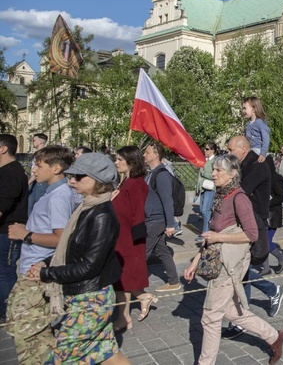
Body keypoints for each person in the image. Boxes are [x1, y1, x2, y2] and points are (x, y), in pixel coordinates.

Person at [26, 152, 128, 364]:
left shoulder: (101, 215)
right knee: (105, 352)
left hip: (91, 297)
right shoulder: (86, 206)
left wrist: (47, 273)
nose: (72, 180)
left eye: (80, 176)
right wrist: (45, 263)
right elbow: (71, 247)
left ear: (98, 182)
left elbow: (89, 266)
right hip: (85, 294)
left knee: (62, 357)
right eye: (72, 175)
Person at [183, 154, 283, 365]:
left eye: (218, 170)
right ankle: (274, 337)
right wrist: (195, 260)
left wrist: (218, 237)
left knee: (210, 317)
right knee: (233, 311)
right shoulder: (221, 195)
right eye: (213, 170)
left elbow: (251, 235)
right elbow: (212, 231)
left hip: (230, 263)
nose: (213, 173)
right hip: (218, 258)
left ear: (232, 174)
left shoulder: (239, 198)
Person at [6, 146, 78, 363]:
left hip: (38, 270)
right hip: (33, 266)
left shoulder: (58, 196)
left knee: (27, 333)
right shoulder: (53, 192)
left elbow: (61, 238)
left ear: (56, 168)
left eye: (39, 165)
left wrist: (26, 234)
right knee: (36, 331)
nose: (34, 170)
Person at [224, 136, 283, 340]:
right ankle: (244, 315)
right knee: (241, 269)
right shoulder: (246, 165)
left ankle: (247, 312)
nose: (228, 152)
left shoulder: (257, 167)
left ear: (243, 150)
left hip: (254, 223)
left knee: (240, 269)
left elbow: (240, 191)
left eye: (231, 149)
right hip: (244, 221)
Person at [112, 146, 154, 332]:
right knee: (121, 280)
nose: (116, 162)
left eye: (120, 159)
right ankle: (140, 300)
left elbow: (137, 215)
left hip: (128, 239)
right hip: (120, 237)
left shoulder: (135, 184)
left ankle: (124, 317)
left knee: (124, 280)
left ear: (131, 162)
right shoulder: (125, 182)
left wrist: (135, 243)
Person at [143, 142, 181, 293]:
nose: (144, 155)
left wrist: (170, 224)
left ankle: (133, 286)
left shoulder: (162, 174)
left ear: (156, 155)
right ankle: (174, 281)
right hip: (152, 218)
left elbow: (167, 200)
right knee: (162, 250)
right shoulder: (150, 173)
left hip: (156, 220)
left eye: (147, 152)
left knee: (141, 253)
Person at [0, 133, 29, 323]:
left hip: (8, 232)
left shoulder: (13, 172)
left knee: (5, 271)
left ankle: (7, 312)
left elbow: (3, 205)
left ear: (3, 149)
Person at [262, 158, 283, 275]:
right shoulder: (262, 178)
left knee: (266, 241)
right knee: (262, 241)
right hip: (263, 213)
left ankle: (281, 258)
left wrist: (268, 202)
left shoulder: (276, 178)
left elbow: (282, 196)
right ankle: (266, 268)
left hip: (273, 214)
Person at [197, 143, 218, 244]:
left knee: (206, 211)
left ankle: (205, 233)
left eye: (207, 149)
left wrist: (203, 173)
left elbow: (215, 174)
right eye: (204, 149)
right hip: (204, 188)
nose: (205, 151)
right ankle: (207, 230)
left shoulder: (215, 160)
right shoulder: (205, 160)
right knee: (202, 210)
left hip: (210, 188)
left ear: (213, 150)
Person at [243, 96, 270, 163]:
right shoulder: (248, 124)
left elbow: (266, 138)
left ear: (254, 109)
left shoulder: (259, 122)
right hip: (250, 149)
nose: (243, 111)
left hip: (258, 150)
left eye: (245, 108)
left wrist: (263, 153)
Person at [27, 133, 49, 215]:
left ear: (40, 142)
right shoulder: (39, 153)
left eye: (34, 140)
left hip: (40, 183)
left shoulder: (43, 154)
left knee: (34, 207)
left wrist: (28, 182)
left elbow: (39, 170)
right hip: (36, 182)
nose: (32, 142)